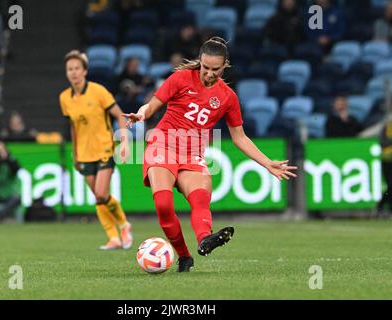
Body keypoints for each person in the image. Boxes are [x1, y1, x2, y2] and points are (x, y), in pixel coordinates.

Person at [123, 37, 297, 272]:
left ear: (224, 66)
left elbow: (240, 137)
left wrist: (267, 163)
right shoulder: (181, 79)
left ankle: (205, 239)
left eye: (215, 69)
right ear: (200, 62)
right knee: (164, 205)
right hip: (163, 143)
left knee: (200, 199)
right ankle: (184, 256)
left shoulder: (228, 97)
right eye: (205, 67)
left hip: (192, 152)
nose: (209, 73)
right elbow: (152, 105)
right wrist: (142, 115)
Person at [59, 50, 133, 250]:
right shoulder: (65, 98)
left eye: (77, 68)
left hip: (104, 148)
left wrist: (124, 142)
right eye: (70, 69)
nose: (73, 72)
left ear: (84, 71)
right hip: (84, 153)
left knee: (101, 194)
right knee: (100, 197)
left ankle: (122, 226)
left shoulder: (98, 91)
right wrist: (75, 155)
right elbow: (74, 128)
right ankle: (115, 236)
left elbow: (120, 115)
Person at [374, 119, 392, 218]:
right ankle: (380, 207)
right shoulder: (387, 126)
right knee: (391, 185)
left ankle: (381, 208)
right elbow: (382, 141)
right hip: (387, 160)